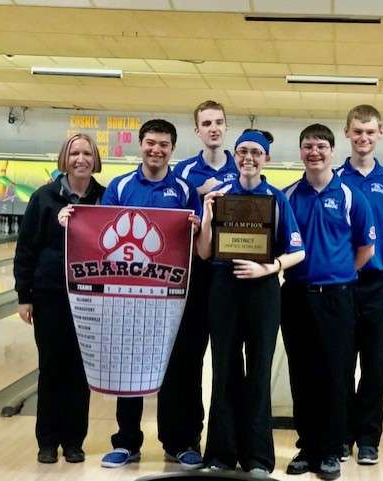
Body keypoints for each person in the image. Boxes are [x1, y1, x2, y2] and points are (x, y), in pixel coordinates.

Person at [197, 130, 305, 476]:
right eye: (242, 150)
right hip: (224, 288)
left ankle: (258, 458)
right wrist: (207, 214)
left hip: (263, 289)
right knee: (224, 369)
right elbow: (202, 251)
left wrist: (267, 267)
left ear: (266, 159)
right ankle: (220, 455)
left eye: (256, 152)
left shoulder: (277, 198)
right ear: (235, 154)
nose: (248, 157)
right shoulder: (219, 196)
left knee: (258, 371)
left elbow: (298, 251)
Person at [99, 119, 201, 469]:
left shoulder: (186, 190)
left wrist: (197, 227)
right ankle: (127, 443)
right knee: (130, 369)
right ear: (140, 144)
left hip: (173, 297)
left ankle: (179, 443)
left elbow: (199, 243)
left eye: (164, 145)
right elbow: (98, 232)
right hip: (130, 297)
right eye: (150, 143)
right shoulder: (120, 185)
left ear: (173, 149)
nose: (156, 150)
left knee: (178, 372)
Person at [282, 124, 376, 480]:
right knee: (302, 374)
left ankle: (333, 449)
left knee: (336, 374)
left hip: (338, 298)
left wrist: (338, 274)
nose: (314, 152)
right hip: (295, 297)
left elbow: (366, 248)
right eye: (308, 146)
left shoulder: (351, 195)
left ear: (332, 151)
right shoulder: (289, 195)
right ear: (301, 151)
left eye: (321, 146)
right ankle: (307, 447)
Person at [152, 100, 237, 468]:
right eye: (206, 123)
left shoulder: (244, 165)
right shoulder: (183, 173)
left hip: (232, 276)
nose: (213, 128)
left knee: (227, 363)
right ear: (197, 130)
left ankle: (226, 445)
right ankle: (180, 440)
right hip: (192, 275)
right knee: (183, 360)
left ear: (225, 126)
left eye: (219, 122)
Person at [14, 133, 106, 464]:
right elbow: (25, 249)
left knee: (81, 370)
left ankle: (74, 441)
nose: (80, 158)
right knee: (52, 368)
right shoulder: (45, 197)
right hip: (51, 294)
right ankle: (47, 441)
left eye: (86, 153)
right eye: (74, 153)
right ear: (64, 159)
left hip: (90, 297)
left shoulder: (104, 198)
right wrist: (25, 296)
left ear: (95, 159)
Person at [335, 104, 383, 465]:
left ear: (380, 133)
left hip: (377, 283)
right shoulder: (333, 177)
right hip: (342, 284)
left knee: (375, 364)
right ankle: (343, 435)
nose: (363, 138)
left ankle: (369, 438)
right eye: (357, 131)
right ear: (347, 132)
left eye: (370, 131)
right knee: (342, 363)